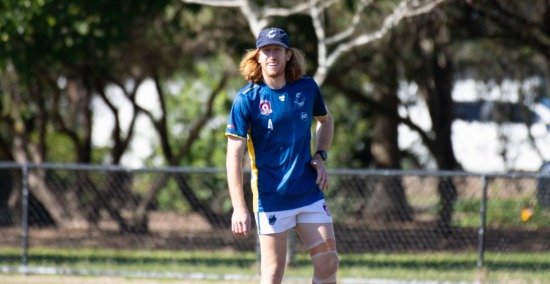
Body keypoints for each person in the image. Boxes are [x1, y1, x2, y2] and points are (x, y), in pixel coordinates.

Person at [225, 27, 339, 284]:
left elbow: (326, 121)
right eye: (266, 50)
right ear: (258, 57)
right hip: (271, 197)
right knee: (274, 274)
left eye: (277, 49)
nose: (271, 55)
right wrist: (239, 207)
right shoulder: (246, 99)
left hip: (308, 191)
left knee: (328, 262)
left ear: (288, 55)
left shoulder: (307, 88)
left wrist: (320, 155)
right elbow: (233, 156)